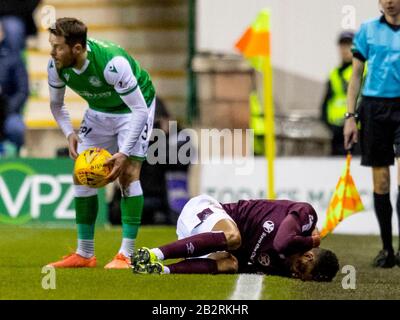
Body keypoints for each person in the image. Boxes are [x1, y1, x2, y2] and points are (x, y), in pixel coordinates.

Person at [46, 18, 156, 269]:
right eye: (52, 46)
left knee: (127, 174)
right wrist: (68, 133)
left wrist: (124, 152)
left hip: (135, 110)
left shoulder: (111, 63)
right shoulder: (56, 65)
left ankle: (126, 255)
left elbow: (139, 109)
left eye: (58, 47)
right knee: (81, 173)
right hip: (99, 112)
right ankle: (85, 254)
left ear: (77, 49)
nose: (52, 52)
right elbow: (56, 104)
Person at [132, 194, 339, 282]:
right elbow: (280, 242)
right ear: (309, 256)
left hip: (194, 240)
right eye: (302, 268)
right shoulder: (305, 215)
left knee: (230, 264)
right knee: (234, 238)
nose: (295, 273)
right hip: (203, 211)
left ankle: (161, 270)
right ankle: (152, 253)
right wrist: (313, 240)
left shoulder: (283, 267)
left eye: (300, 276)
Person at [344, 0, 400, 268]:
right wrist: (350, 117)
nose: (389, 1)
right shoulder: (367, 30)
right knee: (382, 183)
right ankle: (387, 248)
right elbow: (356, 76)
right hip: (374, 110)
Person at [321, 30, 361, 156]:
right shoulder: (334, 74)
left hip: (358, 133)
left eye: (349, 45)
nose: (345, 49)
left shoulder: (363, 72)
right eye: (342, 46)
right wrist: (331, 127)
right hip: (337, 134)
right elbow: (325, 104)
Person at [0, 21, 29, 156]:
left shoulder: (14, 58)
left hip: (8, 112)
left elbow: (23, 91)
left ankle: (16, 156)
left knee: (16, 127)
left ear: (2, 33)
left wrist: (6, 109)